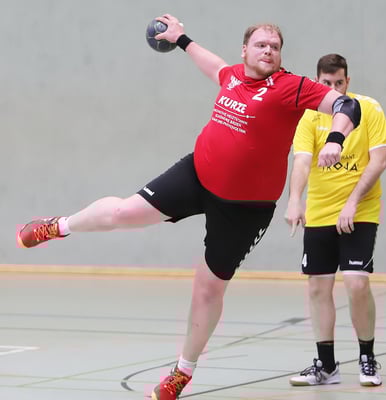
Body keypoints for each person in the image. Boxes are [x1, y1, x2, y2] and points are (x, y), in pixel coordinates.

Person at [18, 15, 361, 400]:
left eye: (275, 47)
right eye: (261, 45)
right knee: (123, 213)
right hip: (198, 173)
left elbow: (347, 105)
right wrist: (182, 40)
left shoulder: (290, 87)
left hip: (245, 208)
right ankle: (58, 226)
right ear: (245, 50)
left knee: (208, 288)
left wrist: (335, 138)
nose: (268, 51)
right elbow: (213, 65)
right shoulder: (233, 76)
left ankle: (183, 371)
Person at [285, 53, 386, 387]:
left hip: (359, 210)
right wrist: (294, 200)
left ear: (348, 81)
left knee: (356, 282)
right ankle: (326, 366)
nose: (334, 88)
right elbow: (302, 161)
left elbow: (379, 162)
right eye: (326, 83)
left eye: (339, 83)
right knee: (318, 286)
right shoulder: (309, 116)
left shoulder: (368, 109)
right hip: (320, 212)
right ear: (317, 82)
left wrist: (351, 204)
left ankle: (367, 358)